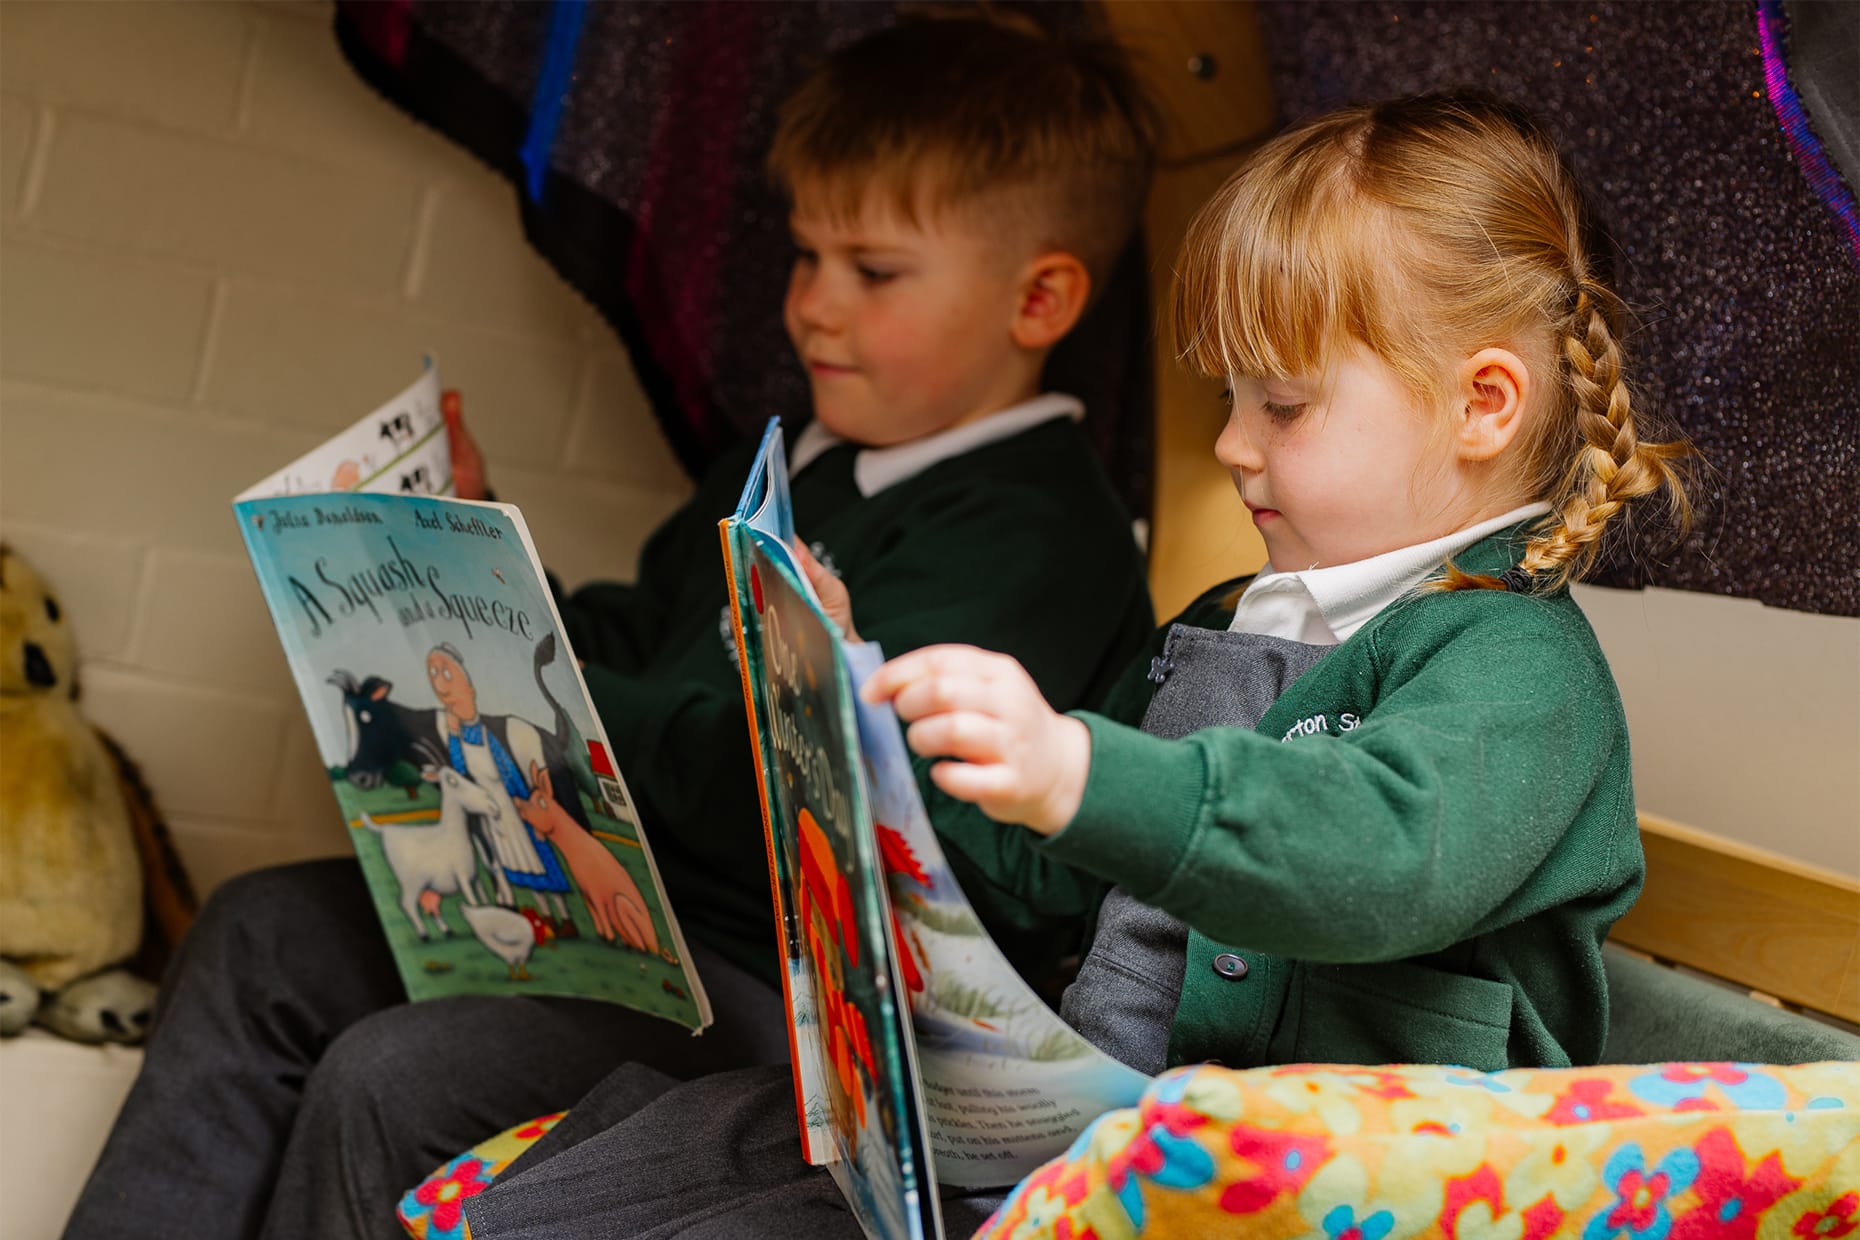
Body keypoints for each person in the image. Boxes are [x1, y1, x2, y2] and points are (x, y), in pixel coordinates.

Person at [446, 89, 1694, 1239]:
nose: (1231, 445)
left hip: (1297, 1189)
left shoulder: (1517, 665)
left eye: (1283, 405)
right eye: (1229, 397)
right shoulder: (1229, 615)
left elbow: (1372, 855)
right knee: (661, 1146)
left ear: (1484, 404)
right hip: (1086, 1128)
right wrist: (846, 700)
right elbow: (1034, 870)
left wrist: (1078, 770)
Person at [64, 16, 1157, 1240]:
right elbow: (634, 653)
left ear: (1041, 297)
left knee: (391, 1074)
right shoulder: (799, 458)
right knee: (259, 930)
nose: (812, 311)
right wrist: (471, 566)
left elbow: (736, 770)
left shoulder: (1040, 531)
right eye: (805, 257)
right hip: (632, 936)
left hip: (779, 1002)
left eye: (874, 271)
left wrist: (559, 711)